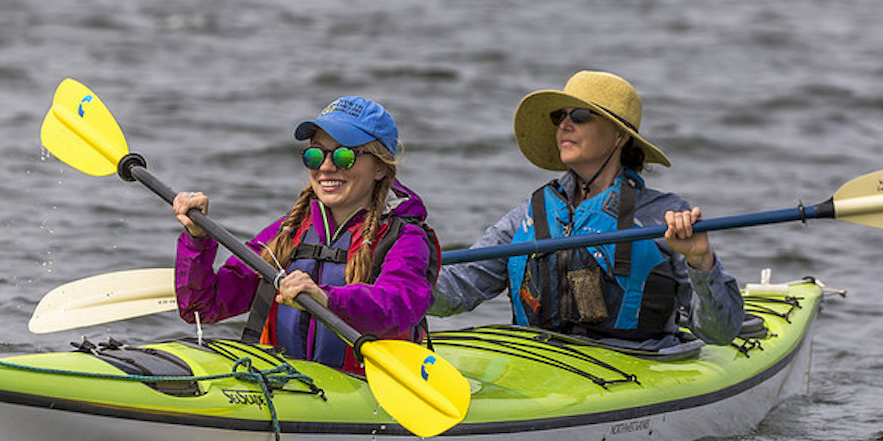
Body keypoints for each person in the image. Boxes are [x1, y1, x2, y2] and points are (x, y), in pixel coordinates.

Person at [431, 71, 744, 347]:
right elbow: (458, 288)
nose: (565, 124)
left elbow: (720, 333)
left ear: (620, 135)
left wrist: (701, 261)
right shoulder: (528, 216)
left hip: (636, 363)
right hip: (541, 362)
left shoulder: (664, 216)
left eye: (580, 115)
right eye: (559, 117)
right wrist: (392, 277)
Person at [172, 97, 439, 374]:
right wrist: (198, 239)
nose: (325, 167)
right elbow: (200, 308)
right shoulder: (288, 232)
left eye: (344, 156)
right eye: (315, 154)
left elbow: (400, 305)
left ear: (381, 168)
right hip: (289, 381)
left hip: (364, 387)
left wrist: (327, 299)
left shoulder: (406, 238)